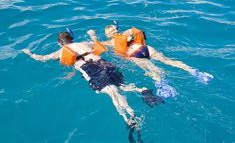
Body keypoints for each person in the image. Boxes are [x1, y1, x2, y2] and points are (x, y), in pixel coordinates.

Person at [22, 30, 163, 131]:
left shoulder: (60, 52)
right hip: (105, 64)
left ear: (60, 43)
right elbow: (98, 44)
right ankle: (141, 89)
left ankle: (129, 118)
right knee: (121, 86)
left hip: (91, 70)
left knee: (112, 92)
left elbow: (41, 58)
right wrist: (92, 35)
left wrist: (29, 53)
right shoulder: (84, 43)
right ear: (71, 39)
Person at [86, 23, 214, 98]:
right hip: (145, 48)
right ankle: (194, 71)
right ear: (117, 29)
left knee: (153, 70)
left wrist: (92, 34)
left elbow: (96, 43)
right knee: (169, 61)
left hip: (135, 55)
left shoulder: (109, 42)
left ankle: (163, 86)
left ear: (108, 34)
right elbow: (136, 31)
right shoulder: (126, 33)